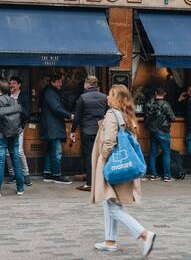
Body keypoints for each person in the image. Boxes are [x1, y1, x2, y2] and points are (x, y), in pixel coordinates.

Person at [91, 85, 156, 256]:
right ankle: (110, 241)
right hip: (124, 165)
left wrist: (103, 156)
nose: (107, 97)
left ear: (117, 99)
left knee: (112, 206)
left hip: (112, 165)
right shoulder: (127, 116)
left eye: (110, 94)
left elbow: (109, 142)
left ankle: (143, 233)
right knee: (110, 202)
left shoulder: (112, 114)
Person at [0, 79, 26, 197]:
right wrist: (19, 129)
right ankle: (20, 188)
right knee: (16, 160)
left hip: (0, 135)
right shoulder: (14, 101)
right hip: (14, 134)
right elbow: (23, 116)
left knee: (0, 162)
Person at [72, 75, 108, 191]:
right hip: (100, 131)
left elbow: (77, 117)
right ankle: (101, 182)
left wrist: (72, 130)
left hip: (87, 131)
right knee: (101, 156)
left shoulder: (83, 97)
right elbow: (107, 114)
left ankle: (89, 183)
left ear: (87, 84)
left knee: (89, 157)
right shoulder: (104, 97)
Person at [40, 74, 74, 184]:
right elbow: (56, 108)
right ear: (53, 82)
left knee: (50, 150)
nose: (61, 84)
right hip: (52, 126)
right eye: (59, 82)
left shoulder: (50, 91)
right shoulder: (50, 92)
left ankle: (47, 173)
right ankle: (57, 175)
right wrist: (70, 115)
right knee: (57, 151)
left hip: (51, 126)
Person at [5, 76, 33, 187]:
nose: (11, 85)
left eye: (14, 83)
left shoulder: (24, 97)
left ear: (19, 85)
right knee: (7, 152)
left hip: (19, 127)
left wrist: (17, 105)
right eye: (10, 83)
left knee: (19, 151)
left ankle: (26, 175)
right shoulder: (7, 96)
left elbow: (27, 114)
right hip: (7, 128)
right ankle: (12, 175)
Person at [144, 88, 176, 182]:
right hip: (163, 131)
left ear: (155, 93)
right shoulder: (166, 104)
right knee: (166, 153)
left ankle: (153, 175)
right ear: (164, 94)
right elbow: (172, 118)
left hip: (153, 131)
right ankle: (167, 176)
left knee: (153, 153)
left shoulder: (149, 103)